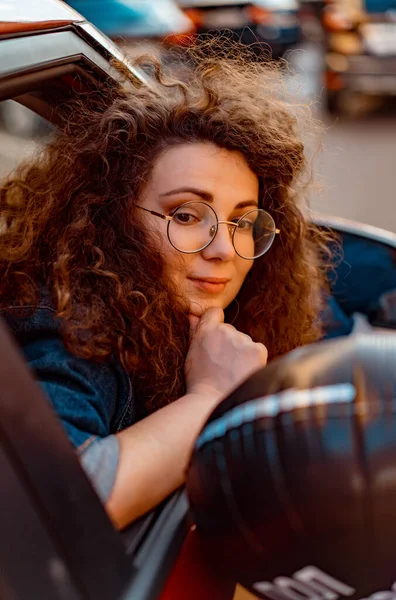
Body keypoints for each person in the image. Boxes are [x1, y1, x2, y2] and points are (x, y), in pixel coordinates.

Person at [0, 44, 328, 530]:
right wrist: (211, 395)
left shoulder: (208, 318)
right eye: (186, 215)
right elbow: (57, 505)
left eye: (242, 221)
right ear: (112, 221)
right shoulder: (68, 330)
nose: (223, 250)